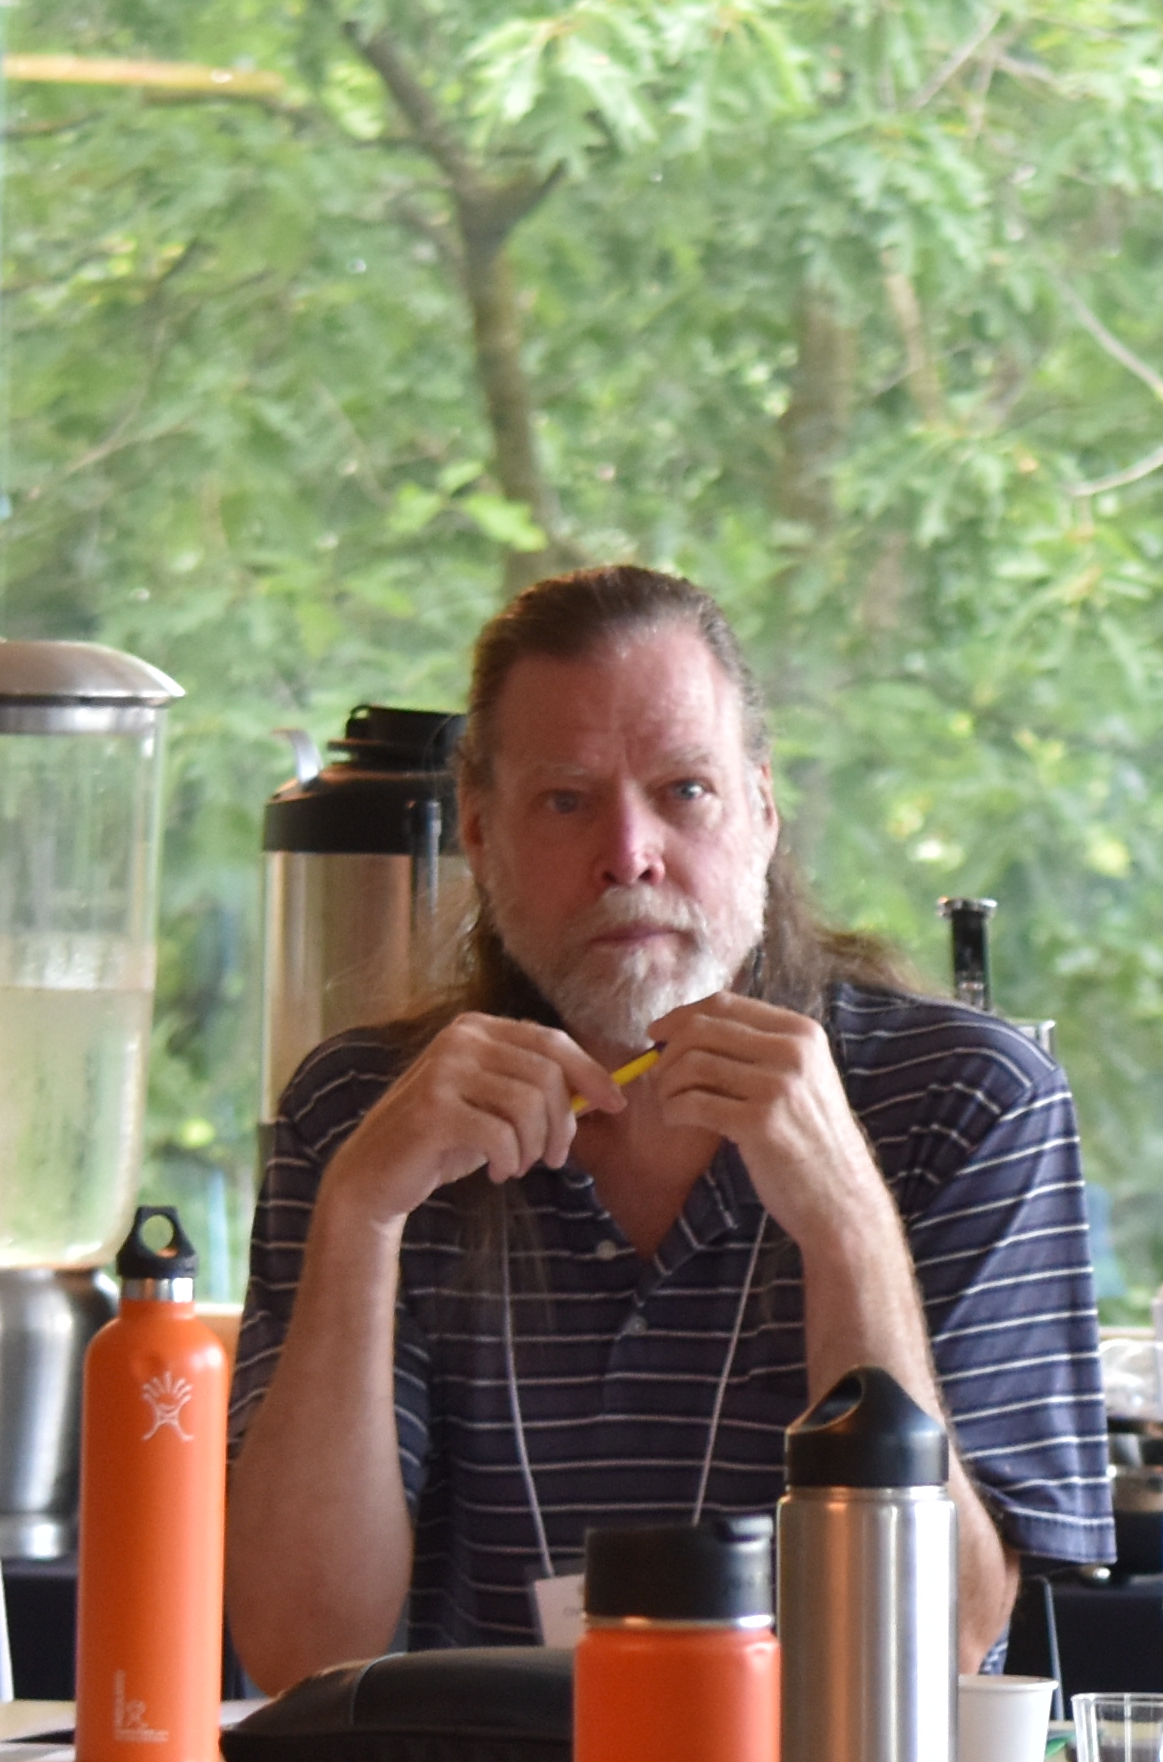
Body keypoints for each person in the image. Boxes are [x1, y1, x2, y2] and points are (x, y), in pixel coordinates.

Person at [227, 564, 1111, 1686]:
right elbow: (301, 1648)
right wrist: (360, 1215)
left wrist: (845, 1220)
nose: (629, 852)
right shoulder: (360, 1115)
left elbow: (944, 1640)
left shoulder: (968, 1097)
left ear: (764, 812)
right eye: (565, 799)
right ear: (483, 834)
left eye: (684, 790)